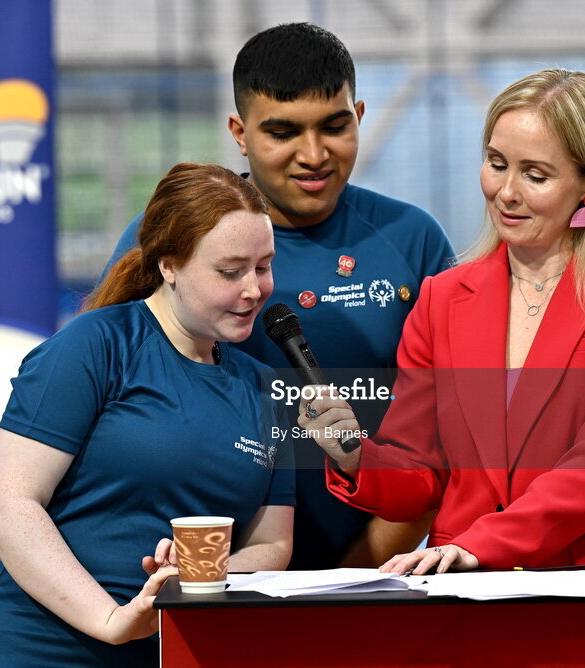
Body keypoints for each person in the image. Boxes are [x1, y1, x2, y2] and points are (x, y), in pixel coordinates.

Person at [298, 69, 585, 572]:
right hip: (464, 586)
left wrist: (481, 543)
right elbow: (419, 471)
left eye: (535, 175)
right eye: (496, 163)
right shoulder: (442, 297)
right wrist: (356, 458)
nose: (505, 192)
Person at [105, 23, 455, 569]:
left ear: (359, 116)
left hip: (367, 573)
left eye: (334, 126)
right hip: (201, 571)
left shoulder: (414, 240)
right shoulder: (167, 238)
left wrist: (348, 583)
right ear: (239, 134)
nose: (313, 154)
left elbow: (443, 444)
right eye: (283, 132)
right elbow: (112, 412)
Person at [0, 163, 294, 667]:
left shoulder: (265, 387)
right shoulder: (95, 346)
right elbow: (6, 503)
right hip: (27, 644)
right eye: (230, 270)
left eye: (263, 267)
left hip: (167, 648)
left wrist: (196, 577)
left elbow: (273, 543)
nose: (253, 289)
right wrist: (110, 619)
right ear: (169, 265)